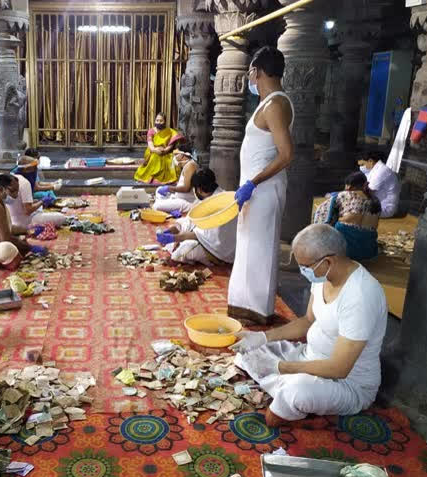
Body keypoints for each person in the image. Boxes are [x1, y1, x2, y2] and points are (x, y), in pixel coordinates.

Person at [232, 224, 387, 427]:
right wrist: (263, 337)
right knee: (248, 353)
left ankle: (284, 389)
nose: (303, 271)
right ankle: (283, 387)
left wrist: (281, 367)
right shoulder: (325, 275)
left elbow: (339, 368)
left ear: (328, 261)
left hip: (346, 384)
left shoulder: (361, 295)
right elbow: (307, 320)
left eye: (305, 266)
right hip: (307, 357)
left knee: (291, 396)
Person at [228, 46, 295, 325]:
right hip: (255, 190)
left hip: (263, 190)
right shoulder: (268, 102)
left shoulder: (276, 104)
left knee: (260, 248)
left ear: (257, 71)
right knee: (248, 246)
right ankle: (244, 306)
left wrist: (252, 183)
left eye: (250, 73)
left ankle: (258, 310)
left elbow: (287, 154)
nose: (250, 79)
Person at [157, 168, 237, 266]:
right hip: (212, 241)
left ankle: (211, 260)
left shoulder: (216, 203)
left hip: (220, 251)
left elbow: (200, 236)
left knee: (182, 251)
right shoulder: (212, 195)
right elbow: (190, 220)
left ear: (198, 189)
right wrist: (173, 230)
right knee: (181, 224)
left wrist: (175, 238)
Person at [313, 171, 380, 261]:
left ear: (348, 186)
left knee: (333, 225)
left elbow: (322, 214)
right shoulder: (376, 200)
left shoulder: (344, 195)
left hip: (347, 251)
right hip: (369, 251)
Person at [6, 168, 66, 235]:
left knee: (40, 208)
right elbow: (28, 210)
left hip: (12, 220)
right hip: (25, 222)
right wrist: (42, 201)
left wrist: (35, 201)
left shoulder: (13, 178)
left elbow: (20, 203)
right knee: (61, 218)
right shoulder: (25, 183)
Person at [134, 112, 185, 184]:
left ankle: (164, 178)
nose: (159, 122)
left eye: (161, 121)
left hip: (166, 152)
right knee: (155, 157)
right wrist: (155, 150)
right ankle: (153, 176)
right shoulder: (151, 131)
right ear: (155, 121)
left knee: (169, 159)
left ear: (165, 121)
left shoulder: (170, 131)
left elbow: (171, 145)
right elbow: (150, 144)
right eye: (157, 120)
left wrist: (165, 151)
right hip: (153, 151)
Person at [153, 142, 199, 216]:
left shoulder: (190, 165)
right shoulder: (187, 165)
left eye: (176, 155)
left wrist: (169, 188)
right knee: (158, 190)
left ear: (183, 155)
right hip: (179, 198)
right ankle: (171, 209)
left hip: (187, 202)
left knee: (155, 206)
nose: (174, 157)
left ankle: (171, 210)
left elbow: (186, 188)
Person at [357, 150, 401, 218]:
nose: (361, 167)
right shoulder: (374, 170)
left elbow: (367, 192)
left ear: (370, 161)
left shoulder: (382, 170)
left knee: (353, 208)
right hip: (376, 206)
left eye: (363, 164)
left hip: (385, 208)